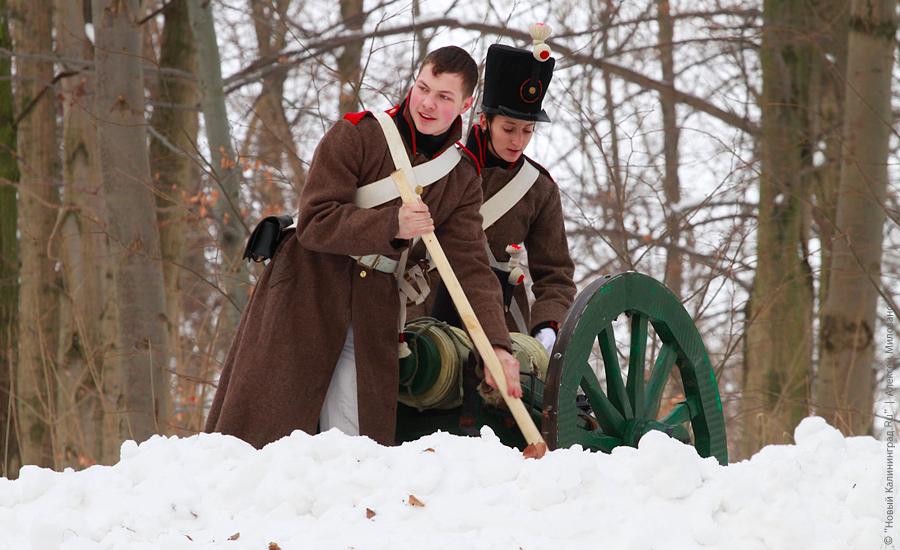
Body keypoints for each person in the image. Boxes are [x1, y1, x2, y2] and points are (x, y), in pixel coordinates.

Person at [205, 46, 522, 449]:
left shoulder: (460, 176)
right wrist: (392, 224)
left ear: (465, 105)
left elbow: (471, 267)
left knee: (357, 448)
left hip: (375, 307)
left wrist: (496, 346)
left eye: (444, 96)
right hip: (306, 290)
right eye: (423, 87)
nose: (427, 103)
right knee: (263, 436)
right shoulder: (357, 135)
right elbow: (315, 222)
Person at [429, 25, 576, 354]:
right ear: (484, 121)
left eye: (527, 130)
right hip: (427, 321)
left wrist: (547, 326)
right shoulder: (442, 167)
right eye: (509, 128)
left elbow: (555, 275)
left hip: (502, 328)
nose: (518, 141)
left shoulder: (539, 188)